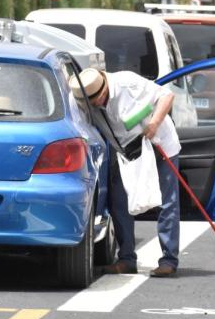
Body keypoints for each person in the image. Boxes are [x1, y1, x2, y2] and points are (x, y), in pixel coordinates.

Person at [74, 67, 182, 278]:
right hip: (127, 151)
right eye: (92, 101)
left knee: (166, 201)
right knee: (119, 200)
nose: (96, 104)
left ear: (105, 86)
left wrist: (154, 124)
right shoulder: (82, 99)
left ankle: (169, 259)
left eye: (99, 98)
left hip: (158, 144)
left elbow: (166, 95)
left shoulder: (127, 82)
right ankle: (126, 259)